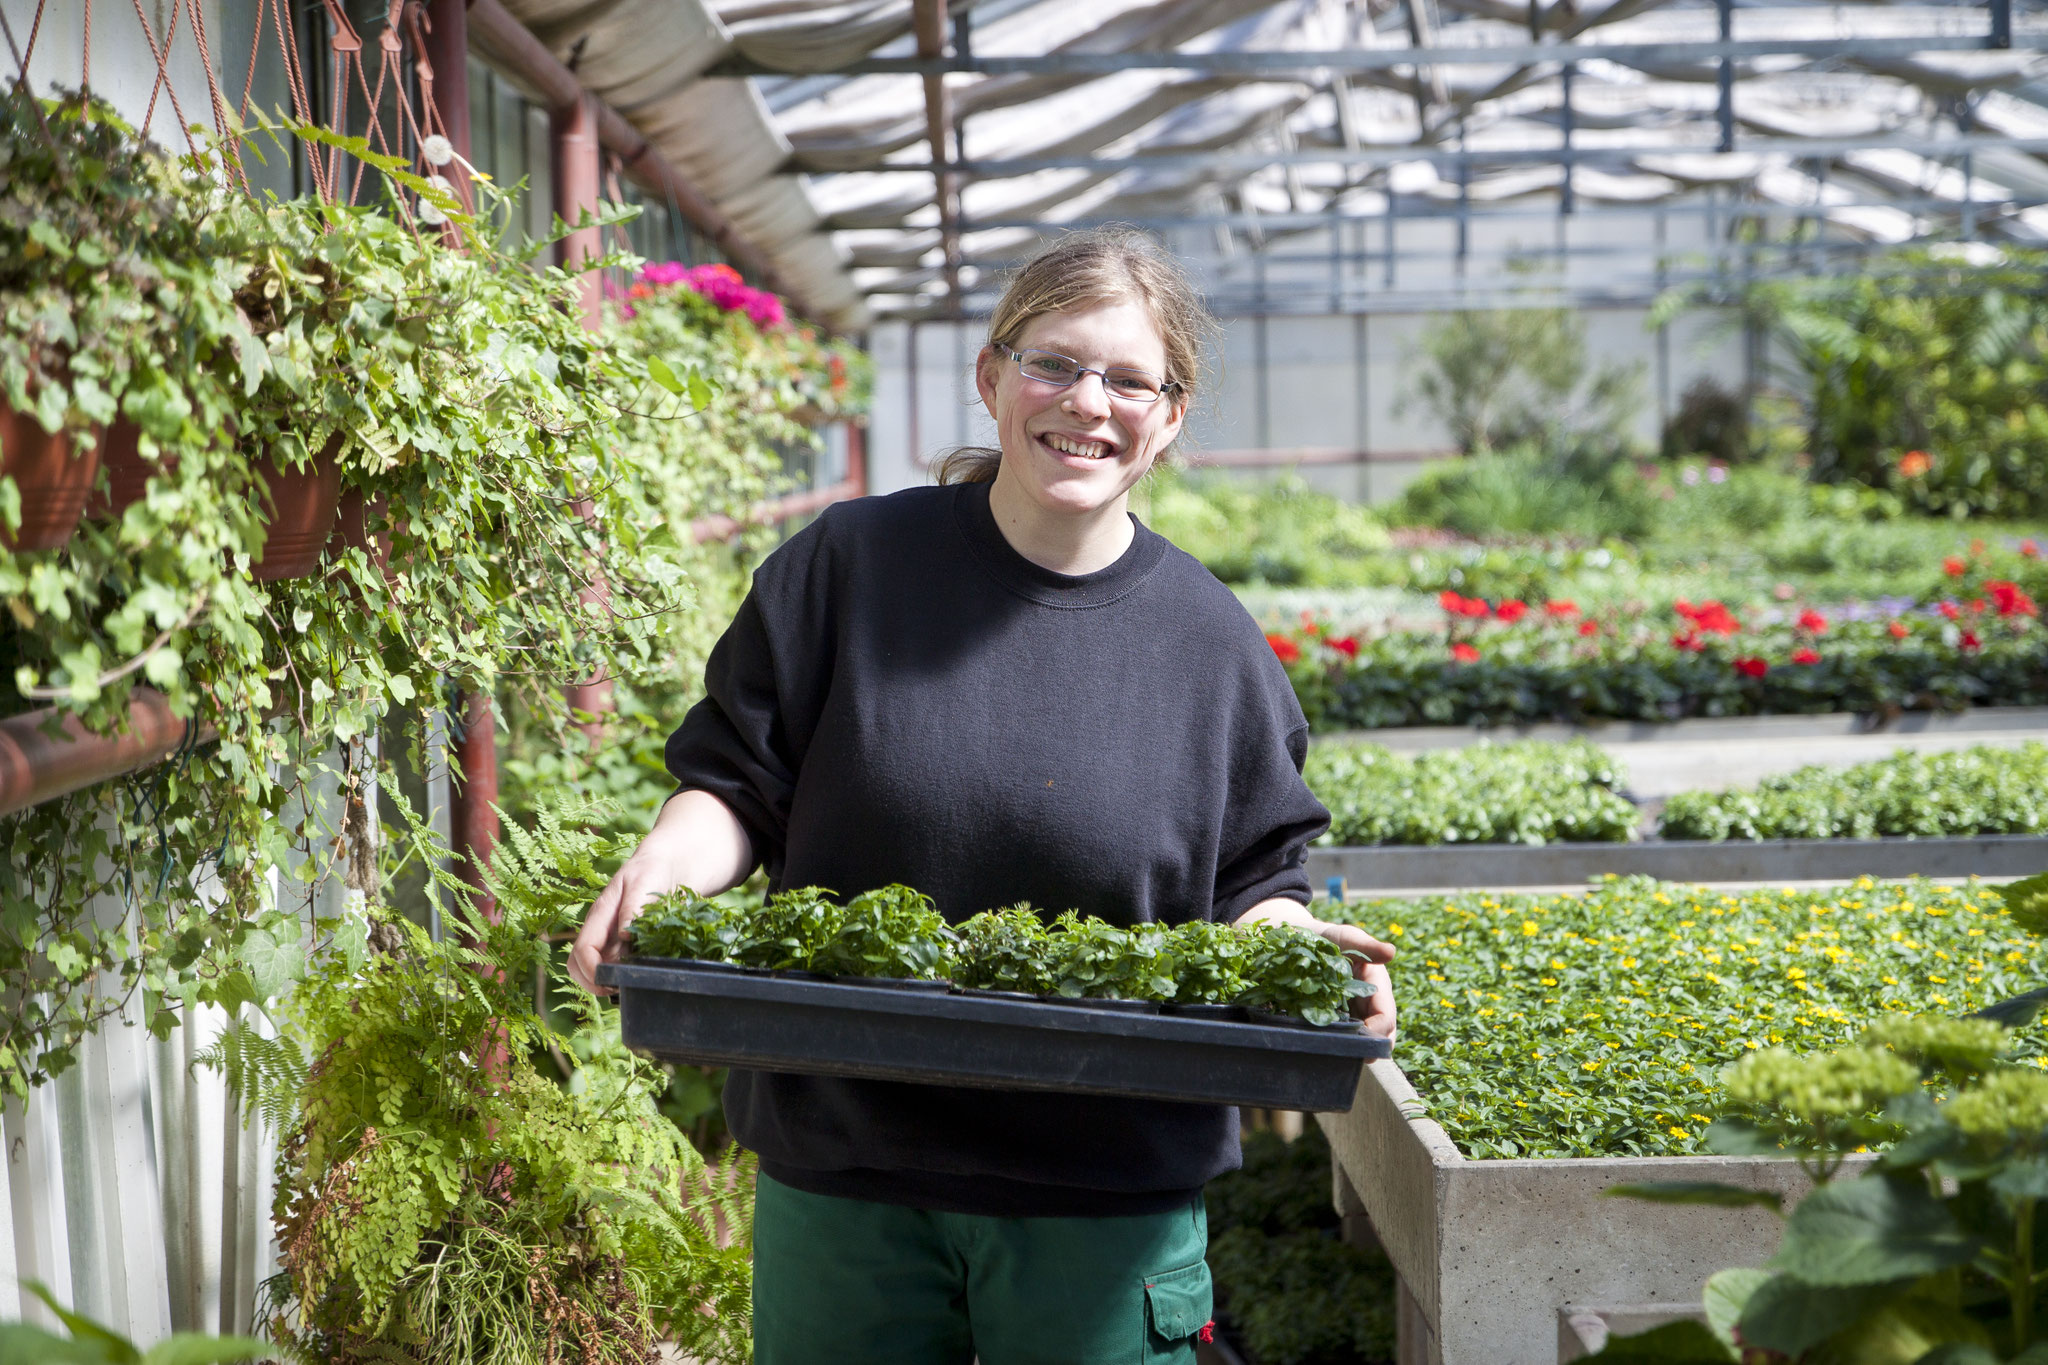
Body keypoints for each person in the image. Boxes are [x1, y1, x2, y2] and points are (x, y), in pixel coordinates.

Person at [569, 228, 1398, 1365]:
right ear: (991, 377)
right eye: (1053, 363)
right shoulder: (847, 571)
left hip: (1105, 1191)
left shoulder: (1209, 646)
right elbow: (735, 786)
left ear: (1167, 418)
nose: (1085, 403)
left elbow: (1256, 880)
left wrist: (1303, 960)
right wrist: (661, 868)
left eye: (1125, 380)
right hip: (848, 1165)